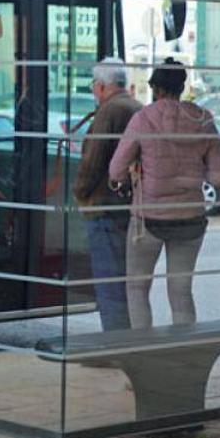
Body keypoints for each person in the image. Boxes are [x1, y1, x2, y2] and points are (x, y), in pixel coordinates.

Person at [109, 58, 220, 328]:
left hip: (147, 219)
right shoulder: (203, 119)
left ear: (154, 87)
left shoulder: (142, 119)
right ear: (182, 86)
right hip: (190, 219)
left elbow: (115, 170)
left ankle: (145, 351)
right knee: (181, 290)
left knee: (137, 289)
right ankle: (184, 353)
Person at [73, 58, 142, 331]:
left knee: (109, 279)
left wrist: (79, 193)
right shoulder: (137, 107)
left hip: (104, 206)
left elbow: (94, 161)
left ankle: (115, 344)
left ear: (101, 86)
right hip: (129, 206)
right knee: (126, 279)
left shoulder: (109, 111)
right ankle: (125, 340)